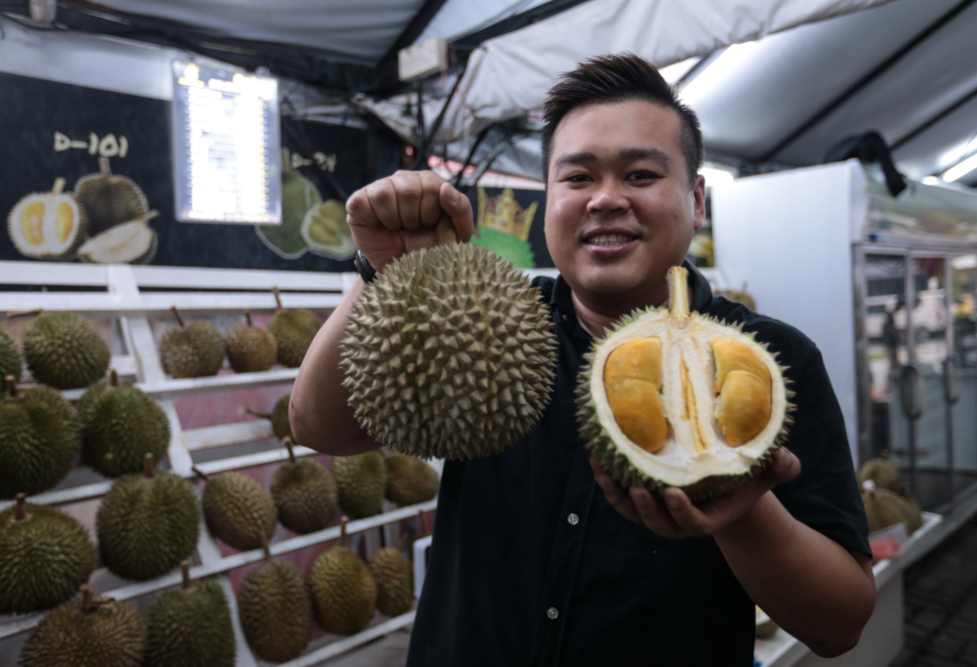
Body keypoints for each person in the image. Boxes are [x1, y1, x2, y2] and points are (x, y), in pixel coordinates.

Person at [291, 53, 875, 666]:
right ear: (548, 200)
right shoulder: (490, 320)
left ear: (696, 200)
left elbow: (839, 626)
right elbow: (318, 427)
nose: (605, 200)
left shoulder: (778, 359)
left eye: (641, 175)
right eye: (577, 178)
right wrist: (382, 270)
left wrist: (738, 505)